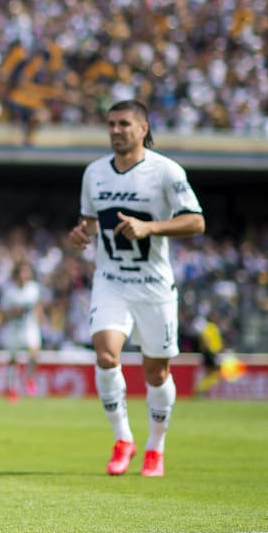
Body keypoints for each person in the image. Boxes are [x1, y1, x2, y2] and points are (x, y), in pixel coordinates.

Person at [68, 98, 205, 478]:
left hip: (155, 287)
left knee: (156, 373)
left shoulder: (166, 172)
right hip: (111, 281)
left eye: (124, 124)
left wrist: (151, 227)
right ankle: (122, 438)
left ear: (143, 128)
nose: (115, 131)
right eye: (111, 124)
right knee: (107, 355)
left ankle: (155, 447)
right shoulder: (94, 173)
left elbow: (195, 222)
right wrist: (82, 233)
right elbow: (91, 221)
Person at [0, 259, 43, 401]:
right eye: (22, 272)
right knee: (13, 359)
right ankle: (12, 388)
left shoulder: (34, 288)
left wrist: (39, 317)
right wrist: (14, 312)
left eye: (27, 273)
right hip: (13, 328)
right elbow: (3, 312)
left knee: (34, 354)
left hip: (29, 326)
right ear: (16, 275)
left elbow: (38, 306)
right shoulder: (9, 291)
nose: (25, 275)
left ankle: (29, 379)